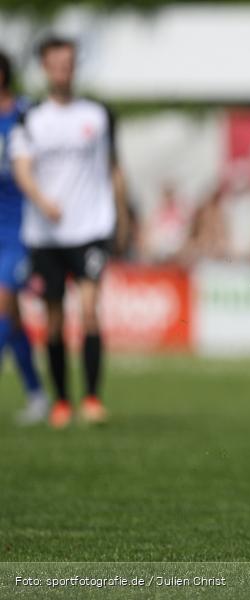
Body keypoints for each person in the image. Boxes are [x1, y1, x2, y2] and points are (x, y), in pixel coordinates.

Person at [10, 36, 129, 428]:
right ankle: (61, 400)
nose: (63, 70)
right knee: (56, 318)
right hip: (45, 236)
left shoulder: (97, 115)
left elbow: (113, 167)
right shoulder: (31, 119)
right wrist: (42, 200)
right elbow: (22, 168)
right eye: (56, 64)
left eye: (69, 63)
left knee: (91, 312)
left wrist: (122, 216)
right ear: (45, 68)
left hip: (90, 229)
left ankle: (92, 398)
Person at [0, 50, 49, 425]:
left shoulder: (27, 113)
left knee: (4, 301)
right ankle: (36, 393)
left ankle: (38, 395)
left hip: (21, 228)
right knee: (12, 317)